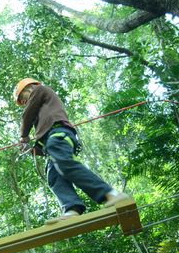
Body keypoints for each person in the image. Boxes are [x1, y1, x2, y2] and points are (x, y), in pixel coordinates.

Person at [13, 78, 129, 224]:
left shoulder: (40, 90)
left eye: (23, 99)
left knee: (63, 161)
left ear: (28, 89)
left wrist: (23, 136)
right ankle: (72, 209)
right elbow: (43, 145)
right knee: (54, 175)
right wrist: (31, 149)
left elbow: (27, 114)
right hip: (52, 141)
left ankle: (110, 193)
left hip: (59, 134)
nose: (25, 104)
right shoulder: (42, 117)